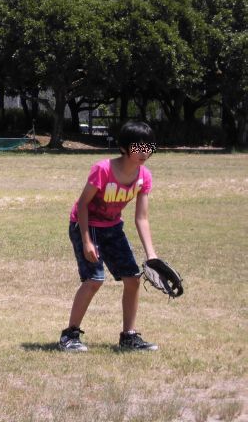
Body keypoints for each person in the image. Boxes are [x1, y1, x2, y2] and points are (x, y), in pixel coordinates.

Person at [58, 121, 159, 351]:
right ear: (124, 147)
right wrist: (86, 241)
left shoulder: (144, 176)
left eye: (149, 146)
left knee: (133, 279)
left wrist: (151, 254)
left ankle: (129, 337)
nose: (144, 152)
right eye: (138, 146)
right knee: (94, 279)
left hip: (112, 227)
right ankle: (69, 335)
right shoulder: (103, 169)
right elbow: (82, 205)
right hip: (85, 224)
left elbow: (141, 218)